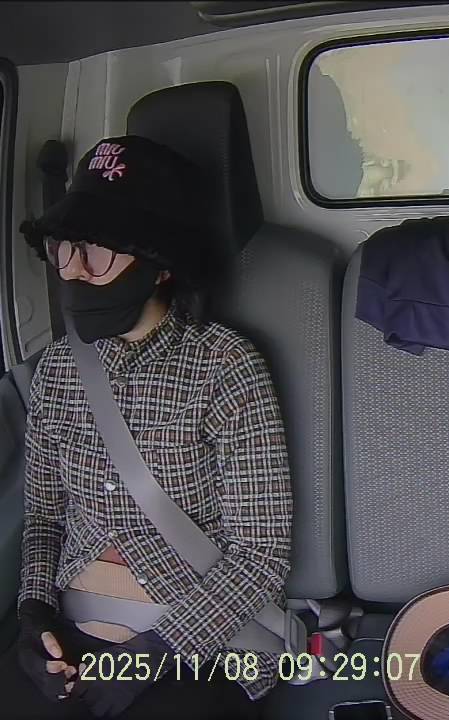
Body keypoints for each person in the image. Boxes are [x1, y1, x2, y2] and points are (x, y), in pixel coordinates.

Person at [0, 135, 293, 719]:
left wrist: (158, 654)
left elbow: (261, 555)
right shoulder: (56, 370)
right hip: (71, 633)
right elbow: (44, 516)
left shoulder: (225, 366)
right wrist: (34, 613)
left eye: (97, 252)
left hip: (202, 643)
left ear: (158, 266)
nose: (73, 270)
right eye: (65, 248)